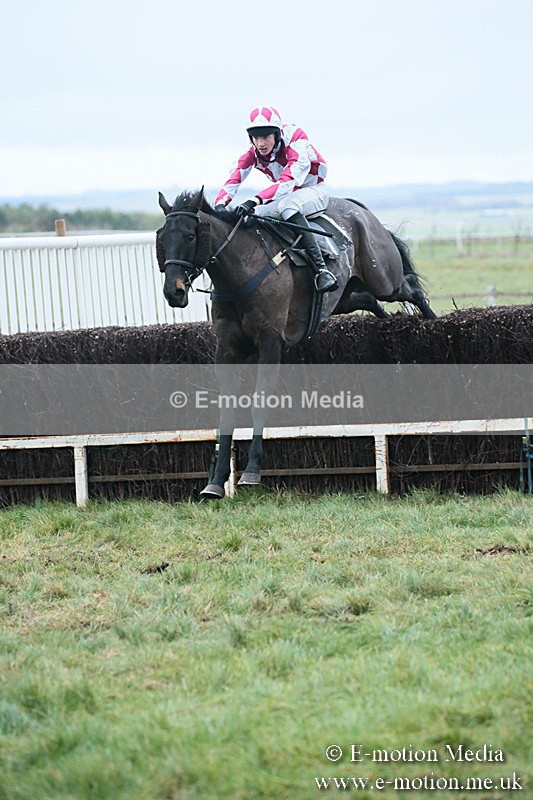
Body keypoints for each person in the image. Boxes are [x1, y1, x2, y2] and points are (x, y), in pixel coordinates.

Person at [214, 106, 338, 293]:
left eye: (265, 137)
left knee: (288, 206)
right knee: (251, 216)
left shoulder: (296, 138)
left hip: (313, 190)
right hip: (285, 194)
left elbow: (288, 182)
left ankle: (322, 270)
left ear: (277, 134)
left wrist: (255, 199)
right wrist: (220, 205)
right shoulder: (253, 152)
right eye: (256, 138)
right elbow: (235, 177)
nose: (260, 143)